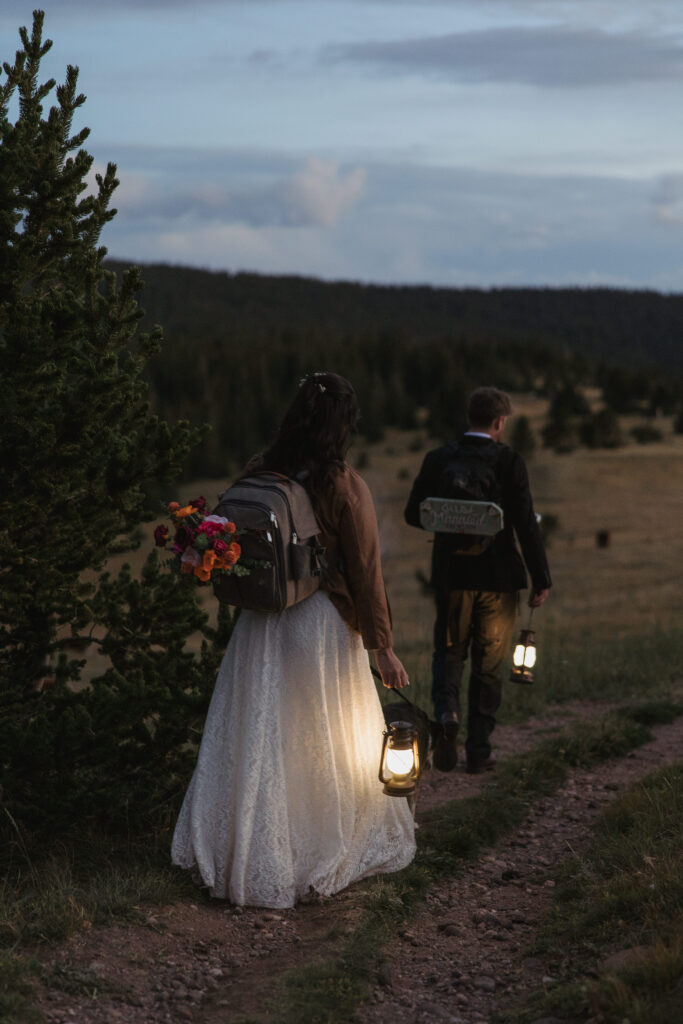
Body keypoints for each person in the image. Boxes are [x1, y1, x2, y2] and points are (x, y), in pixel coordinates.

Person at [172, 372, 416, 908]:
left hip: (260, 625)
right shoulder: (342, 484)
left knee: (264, 738)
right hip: (318, 624)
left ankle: (251, 852)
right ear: (343, 426)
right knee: (318, 742)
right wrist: (382, 645)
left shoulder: (261, 470)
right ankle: (309, 850)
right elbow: (366, 571)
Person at [404, 386, 551, 774]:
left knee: (449, 653)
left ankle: (446, 712)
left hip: (453, 578)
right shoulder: (509, 461)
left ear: (469, 417)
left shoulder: (439, 459)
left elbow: (413, 514)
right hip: (499, 579)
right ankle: (480, 751)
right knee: (489, 666)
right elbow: (525, 524)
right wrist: (541, 578)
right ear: (500, 421)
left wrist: (451, 520)